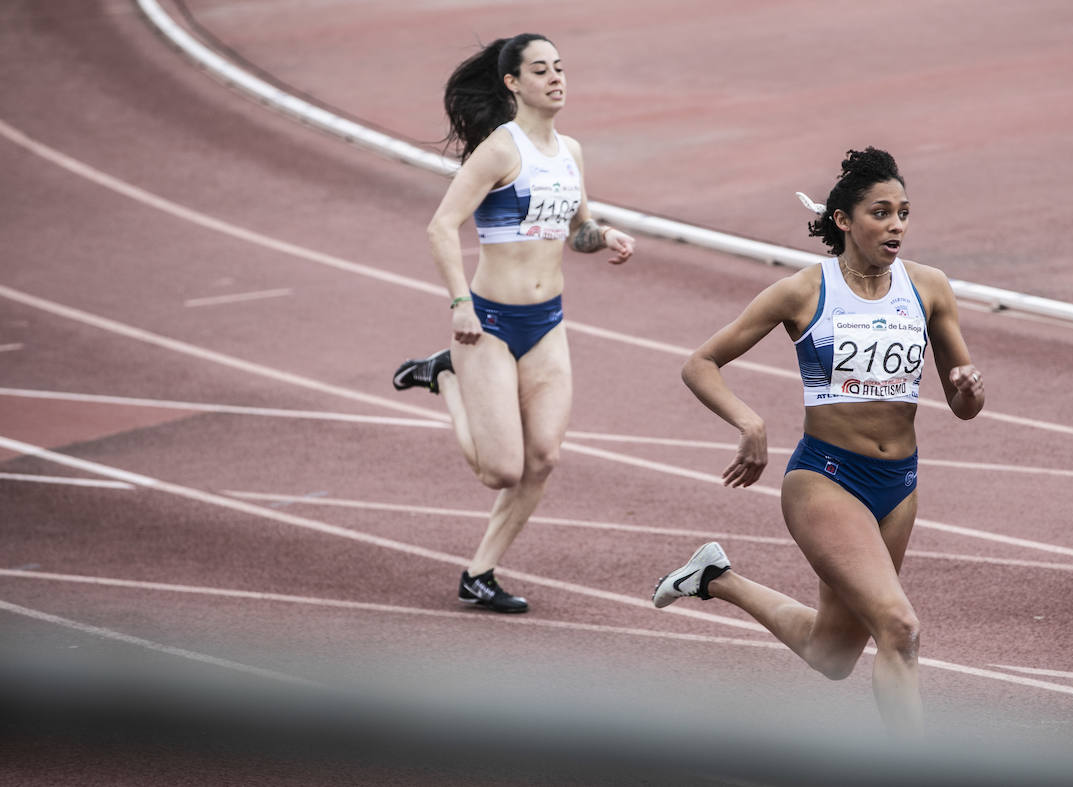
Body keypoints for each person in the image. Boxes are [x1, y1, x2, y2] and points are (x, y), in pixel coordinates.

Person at [651, 148, 984, 735]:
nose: (897, 225)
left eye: (904, 212)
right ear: (844, 220)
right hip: (826, 479)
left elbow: (964, 409)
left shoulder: (928, 288)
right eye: (881, 212)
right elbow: (701, 364)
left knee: (832, 655)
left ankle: (715, 579)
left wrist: (967, 386)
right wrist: (749, 423)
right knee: (900, 629)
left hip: (899, 487)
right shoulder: (802, 292)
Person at [393, 33, 634, 614]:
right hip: (490, 324)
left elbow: (576, 231)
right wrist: (460, 304)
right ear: (513, 83)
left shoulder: (570, 151)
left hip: (547, 322)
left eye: (560, 68)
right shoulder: (500, 151)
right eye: (541, 70)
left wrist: (604, 237)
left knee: (543, 457)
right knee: (501, 470)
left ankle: (480, 573)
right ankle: (446, 376)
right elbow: (441, 227)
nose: (556, 78)